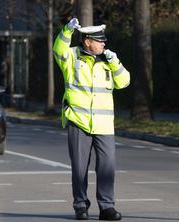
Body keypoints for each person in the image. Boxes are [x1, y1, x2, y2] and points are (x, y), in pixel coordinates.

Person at [53, 18, 130, 221]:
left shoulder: (108, 60)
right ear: (88, 41)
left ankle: (107, 208)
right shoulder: (71, 57)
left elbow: (124, 82)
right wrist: (67, 30)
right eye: (100, 41)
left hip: (104, 125)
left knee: (107, 168)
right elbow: (58, 49)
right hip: (79, 122)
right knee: (79, 168)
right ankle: (80, 206)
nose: (104, 44)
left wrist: (115, 61)